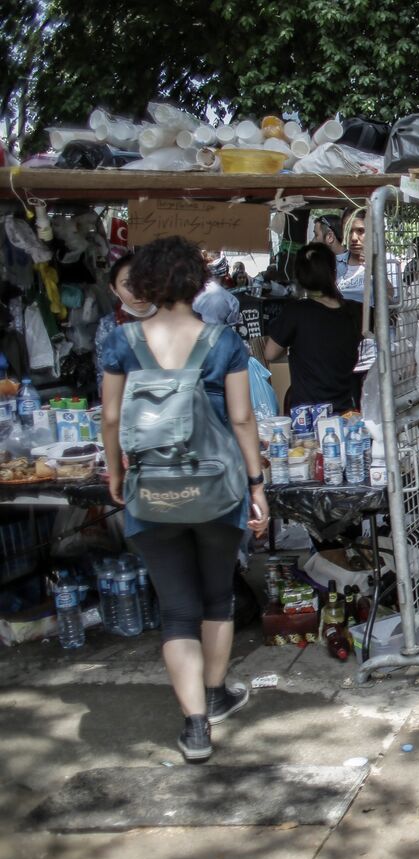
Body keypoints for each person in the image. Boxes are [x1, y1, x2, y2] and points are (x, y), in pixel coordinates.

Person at [99, 235, 270, 761]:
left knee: (176, 609)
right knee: (216, 596)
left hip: (150, 488)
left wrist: (114, 473)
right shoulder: (221, 341)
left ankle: (195, 726)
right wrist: (257, 484)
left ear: (146, 283)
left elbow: (109, 417)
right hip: (218, 488)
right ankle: (216, 694)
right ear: (196, 283)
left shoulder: (121, 342)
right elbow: (242, 418)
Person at [262, 243, 362, 412]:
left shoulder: (296, 312)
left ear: (300, 276)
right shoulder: (355, 310)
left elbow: (270, 353)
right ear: (333, 272)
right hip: (347, 411)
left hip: (307, 417)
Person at [94, 253, 154, 394]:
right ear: (114, 289)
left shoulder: (174, 321)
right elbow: (103, 378)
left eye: (145, 282)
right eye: (127, 284)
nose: (138, 292)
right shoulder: (109, 326)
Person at [335, 208, 369, 305]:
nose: (354, 238)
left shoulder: (386, 262)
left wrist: (376, 270)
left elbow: (393, 301)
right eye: (348, 231)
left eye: (361, 231)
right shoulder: (334, 263)